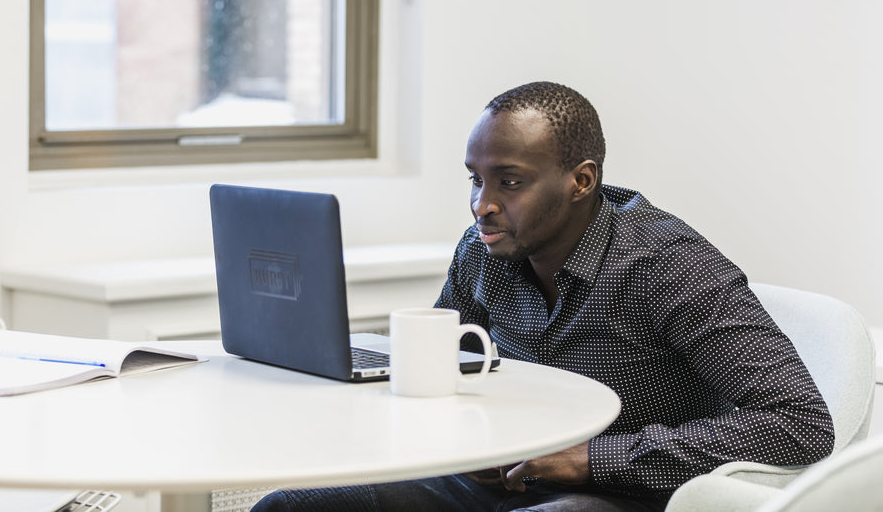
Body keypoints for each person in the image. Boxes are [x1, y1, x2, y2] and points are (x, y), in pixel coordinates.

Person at [252, 82, 833, 511]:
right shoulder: (485, 247)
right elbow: (444, 366)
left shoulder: (668, 265)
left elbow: (801, 421)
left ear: (581, 181)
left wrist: (589, 459)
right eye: (475, 179)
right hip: (493, 475)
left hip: (618, 493)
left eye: (509, 181)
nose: (482, 202)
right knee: (284, 507)